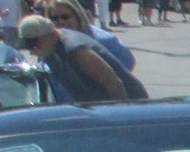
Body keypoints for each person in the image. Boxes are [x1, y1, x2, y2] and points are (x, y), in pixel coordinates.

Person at [16, 13, 148, 103]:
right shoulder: (49, 51)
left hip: (129, 104)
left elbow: (114, 84)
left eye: (35, 45)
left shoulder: (77, 50)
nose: (32, 52)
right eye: (29, 48)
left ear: (50, 35)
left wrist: (120, 118)